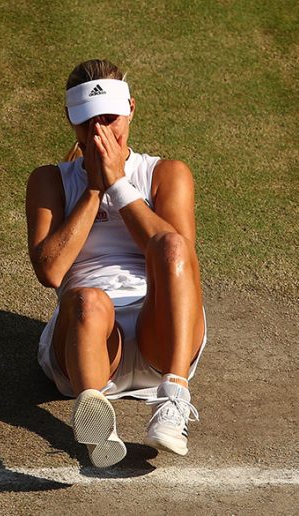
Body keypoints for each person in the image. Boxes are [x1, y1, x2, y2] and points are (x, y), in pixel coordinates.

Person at [25, 59, 207, 468]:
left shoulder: (167, 174)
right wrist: (93, 189)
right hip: (88, 344)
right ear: (71, 121)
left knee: (173, 246)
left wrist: (118, 184)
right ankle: (97, 430)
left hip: (163, 336)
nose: (99, 132)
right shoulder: (49, 180)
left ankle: (173, 399)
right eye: (87, 122)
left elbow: (179, 257)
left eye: (109, 118)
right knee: (88, 300)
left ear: (131, 110)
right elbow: (50, 271)